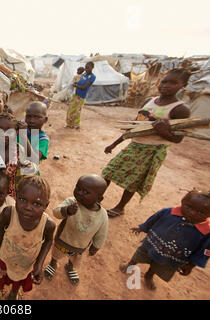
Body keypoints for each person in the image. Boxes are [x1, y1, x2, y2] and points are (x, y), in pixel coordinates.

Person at [102, 68, 191, 217]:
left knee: (133, 180)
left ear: (183, 86)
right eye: (164, 81)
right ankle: (97, 197)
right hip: (135, 145)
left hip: (152, 150)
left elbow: (178, 139)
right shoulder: (149, 101)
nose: (166, 85)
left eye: (173, 83)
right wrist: (114, 143)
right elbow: (135, 126)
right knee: (108, 171)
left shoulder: (180, 109)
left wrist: (164, 132)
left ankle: (120, 207)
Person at [120, 189, 209, 290]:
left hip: (172, 256)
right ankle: (130, 264)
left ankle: (149, 275)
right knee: (140, 254)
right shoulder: (169, 212)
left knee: (159, 265)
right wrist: (143, 227)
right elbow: (154, 218)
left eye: (201, 212)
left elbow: (202, 252)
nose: (192, 213)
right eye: (188, 207)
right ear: (182, 201)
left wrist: (191, 265)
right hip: (152, 243)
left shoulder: (206, 232)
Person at [0, 175, 55, 300]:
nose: (28, 207)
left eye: (36, 203)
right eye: (23, 199)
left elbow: (49, 241)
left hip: (26, 264)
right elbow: (1, 231)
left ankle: (13, 294)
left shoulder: (48, 225)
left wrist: (39, 265)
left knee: (18, 280)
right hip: (5, 257)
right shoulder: (9, 213)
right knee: (0, 277)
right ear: (16, 197)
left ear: (46, 205)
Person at [44, 174, 108, 285]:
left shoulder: (102, 215)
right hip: (63, 239)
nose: (79, 192)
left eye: (86, 192)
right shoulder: (71, 202)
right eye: (78, 188)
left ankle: (70, 267)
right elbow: (56, 212)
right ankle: (53, 263)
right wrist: (67, 210)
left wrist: (96, 246)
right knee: (56, 253)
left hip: (80, 245)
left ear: (99, 198)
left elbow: (102, 232)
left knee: (75, 259)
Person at [18, 101, 50, 169]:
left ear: (45, 120)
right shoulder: (21, 129)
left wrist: (24, 136)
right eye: (28, 116)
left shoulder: (43, 140)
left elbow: (34, 159)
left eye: (37, 117)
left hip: (28, 173)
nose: (31, 121)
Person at [65, 62, 95, 129]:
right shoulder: (84, 74)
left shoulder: (92, 77)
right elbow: (80, 79)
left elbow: (84, 87)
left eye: (88, 68)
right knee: (70, 109)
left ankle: (76, 125)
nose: (86, 69)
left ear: (92, 68)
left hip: (81, 96)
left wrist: (76, 85)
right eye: (86, 68)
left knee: (77, 111)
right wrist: (76, 83)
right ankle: (69, 124)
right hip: (75, 94)